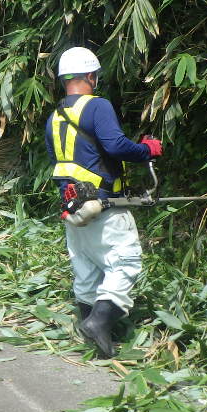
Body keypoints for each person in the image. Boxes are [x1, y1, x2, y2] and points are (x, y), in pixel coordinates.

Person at [46, 47, 163, 358]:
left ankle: (95, 340)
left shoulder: (54, 117)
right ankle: (99, 322)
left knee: (86, 270)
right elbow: (115, 145)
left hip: (73, 208)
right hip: (104, 205)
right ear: (90, 77)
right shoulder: (97, 107)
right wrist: (147, 150)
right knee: (124, 262)